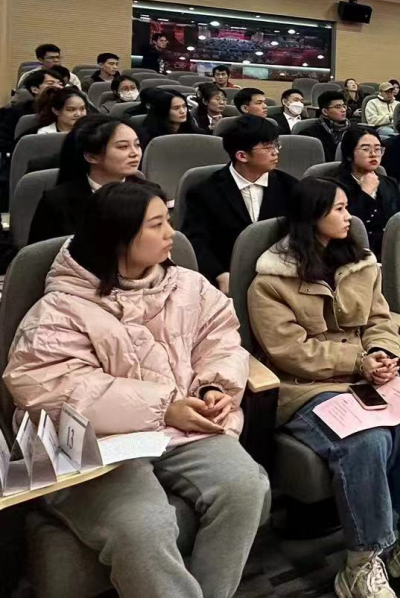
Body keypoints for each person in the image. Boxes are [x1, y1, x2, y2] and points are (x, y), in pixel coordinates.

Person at [4, 182, 268, 598]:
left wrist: (214, 385)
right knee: (144, 524)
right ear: (120, 236)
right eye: (157, 224)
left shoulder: (188, 286)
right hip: (92, 445)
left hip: (180, 426)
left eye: (168, 220)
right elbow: (50, 389)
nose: (171, 233)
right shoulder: (59, 308)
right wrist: (163, 408)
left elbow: (221, 340)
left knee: (244, 486)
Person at [248, 178, 400, 598]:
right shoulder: (270, 281)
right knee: (367, 439)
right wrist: (357, 361)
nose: (348, 216)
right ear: (312, 216)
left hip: (365, 377)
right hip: (308, 387)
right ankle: (362, 559)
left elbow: (380, 319)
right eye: (338, 209)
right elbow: (289, 352)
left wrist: (382, 352)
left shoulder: (361, 263)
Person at [184, 115, 298, 291]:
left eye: (276, 144)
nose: (276, 152)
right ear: (242, 155)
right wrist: (219, 274)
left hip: (279, 278)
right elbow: (196, 242)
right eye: (268, 147)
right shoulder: (205, 192)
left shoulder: (291, 187)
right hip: (227, 279)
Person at [28, 116, 145, 243]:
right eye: (123, 147)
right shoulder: (56, 203)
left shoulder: (149, 192)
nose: (135, 153)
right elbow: (40, 252)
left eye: (137, 145)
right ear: (91, 156)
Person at [335, 127, 400, 257]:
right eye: (365, 149)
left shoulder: (389, 183)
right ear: (349, 155)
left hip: (391, 250)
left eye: (378, 149)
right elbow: (345, 226)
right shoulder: (335, 186)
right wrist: (365, 195)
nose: (373, 154)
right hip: (353, 253)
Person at [313, 89, 350, 162]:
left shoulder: (353, 129)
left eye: (344, 106)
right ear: (325, 111)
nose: (343, 110)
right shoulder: (312, 134)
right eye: (338, 107)